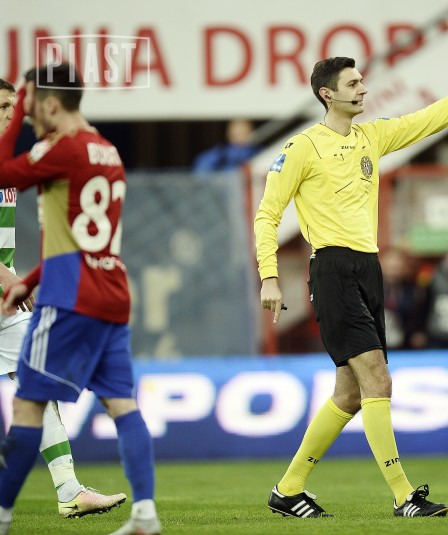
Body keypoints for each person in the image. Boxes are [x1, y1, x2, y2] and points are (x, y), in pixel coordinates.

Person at [255, 48, 448, 518]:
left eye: (362, 81)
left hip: (368, 270)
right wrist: (270, 276)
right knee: (378, 379)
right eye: (353, 84)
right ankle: (404, 496)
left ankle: (289, 489)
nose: (363, 89)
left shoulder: (372, 137)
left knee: (349, 393)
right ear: (327, 94)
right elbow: (267, 214)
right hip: (332, 270)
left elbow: (431, 118)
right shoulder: (301, 148)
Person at [0, 65, 160, 535]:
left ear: (50, 105)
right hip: (102, 290)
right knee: (118, 403)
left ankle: (52, 496)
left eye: (18, 108)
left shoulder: (56, 151)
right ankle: (141, 513)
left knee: (31, 401)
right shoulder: (106, 150)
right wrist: (19, 278)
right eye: (6, 109)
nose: (18, 117)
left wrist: (19, 279)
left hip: (55, 295)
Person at [192, 118, 262, 172]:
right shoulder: (221, 153)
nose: (240, 138)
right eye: (237, 134)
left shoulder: (258, 152)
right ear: (229, 135)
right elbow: (201, 167)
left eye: (244, 133)